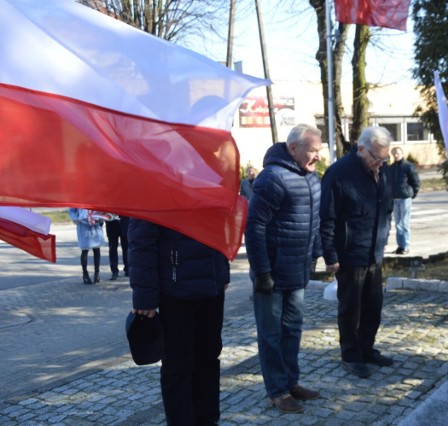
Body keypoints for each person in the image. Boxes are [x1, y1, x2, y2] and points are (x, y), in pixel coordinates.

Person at [244, 124, 323, 414]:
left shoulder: (312, 178)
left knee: (292, 330)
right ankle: (277, 391)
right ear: (293, 148)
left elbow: (314, 220)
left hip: (298, 270)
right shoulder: (271, 178)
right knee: (271, 335)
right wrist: (262, 272)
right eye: (312, 150)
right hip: (272, 275)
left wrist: (316, 255)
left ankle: (291, 382)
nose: (317, 156)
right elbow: (254, 228)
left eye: (319, 150)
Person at [128, 219, 230, 425]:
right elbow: (141, 241)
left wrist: (222, 271)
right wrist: (145, 298)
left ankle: (208, 420)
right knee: (178, 365)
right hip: (175, 292)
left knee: (209, 358)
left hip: (211, 285)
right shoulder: (154, 186)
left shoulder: (211, 184)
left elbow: (219, 226)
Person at [320, 126, 395, 379]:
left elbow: (387, 206)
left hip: (374, 251)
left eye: (384, 159)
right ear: (361, 148)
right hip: (349, 253)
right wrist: (330, 256)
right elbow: (327, 217)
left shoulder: (380, 170)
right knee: (351, 308)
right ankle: (350, 355)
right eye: (376, 157)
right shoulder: (339, 173)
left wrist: (384, 237)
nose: (379, 163)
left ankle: (366, 348)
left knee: (373, 305)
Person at [389, 147, 420, 255]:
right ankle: (400, 246)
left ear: (402, 153)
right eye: (394, 154)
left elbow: (415, 181)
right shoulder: (391, 168)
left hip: (405, 198)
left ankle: (406, 246)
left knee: (405, 223)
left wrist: (412, 194)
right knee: (398, 224)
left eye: (397, 153)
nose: (395, 155)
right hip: (395, 198)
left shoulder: (408, 166)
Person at [68, 208, 105, 285]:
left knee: (97, 249)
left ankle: (97, 274)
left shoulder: (95, 196)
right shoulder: (78, 197)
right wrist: (76, 218)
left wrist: (102, 217)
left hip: (95, 224)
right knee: (85, 250)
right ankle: (85, 274)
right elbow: (71, 210)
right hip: (83, 225)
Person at [105, 215, 129, 280]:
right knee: (113, 248)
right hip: (111, 223)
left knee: (126, 248)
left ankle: (127, 269)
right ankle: (114, 270)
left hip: (124, 221)